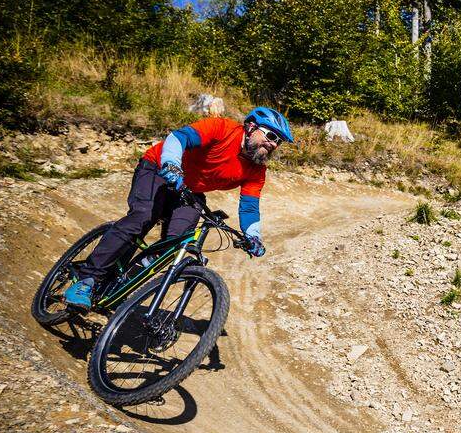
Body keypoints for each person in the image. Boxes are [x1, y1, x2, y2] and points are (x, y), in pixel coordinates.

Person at [63, 107, 293, 309]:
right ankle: (87, 279)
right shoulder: (221, 128)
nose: (273, 144)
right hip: (158, 168)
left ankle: (122, 283)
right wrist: (172, 163)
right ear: (251, 127)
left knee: (178, 243)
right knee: (141, 218)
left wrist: (253, 237)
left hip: (189, 189)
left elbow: (250, 206)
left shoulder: (256, 170)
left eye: (278, 142)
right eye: (271, 135)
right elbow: (178, 138)